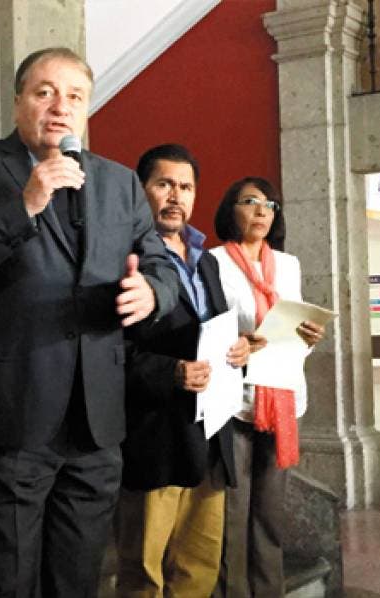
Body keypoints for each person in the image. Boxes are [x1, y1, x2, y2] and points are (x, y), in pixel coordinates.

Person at [0, 47, 180, 596]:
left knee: (77, 580)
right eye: (45, 92)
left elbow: (159, 261)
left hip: (95, 422)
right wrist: (24, 205)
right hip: (9, 415)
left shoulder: (120, 183)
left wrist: (152, 292)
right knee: (3, 581)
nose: (60, 106)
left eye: (74, 96)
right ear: (18, 101)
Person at [115, 144, 250, 597]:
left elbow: (211, 328)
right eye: (164, 184)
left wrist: (238, 350)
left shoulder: (205, 259)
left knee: (199, 568)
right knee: (144, 572)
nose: (176, 196)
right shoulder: (121, 258)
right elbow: (106, 356)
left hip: (210, 436)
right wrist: (170, 372)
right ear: (141, 190)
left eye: (186, 187)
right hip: (154, 435)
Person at [208, 177, 325, 597]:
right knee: (234, 510)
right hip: (235, 399)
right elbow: (207, 328)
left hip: (283, 396)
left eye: (270, 205)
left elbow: (294, 328)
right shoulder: (214, 262)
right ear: (231, 209)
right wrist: (238, 342)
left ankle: (268, 590)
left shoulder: (288, 265)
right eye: (250, 202)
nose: (261, 211)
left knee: (271, 513)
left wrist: (309, 337)